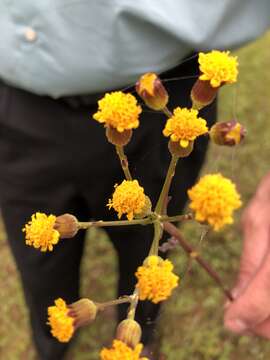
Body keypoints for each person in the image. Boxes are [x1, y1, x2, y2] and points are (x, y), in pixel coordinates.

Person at [0, 1, 269, 359]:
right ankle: (51, 346)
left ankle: (142, 340)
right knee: (40, 266)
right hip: (15, 106)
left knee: (148, 252)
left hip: (158, 96)